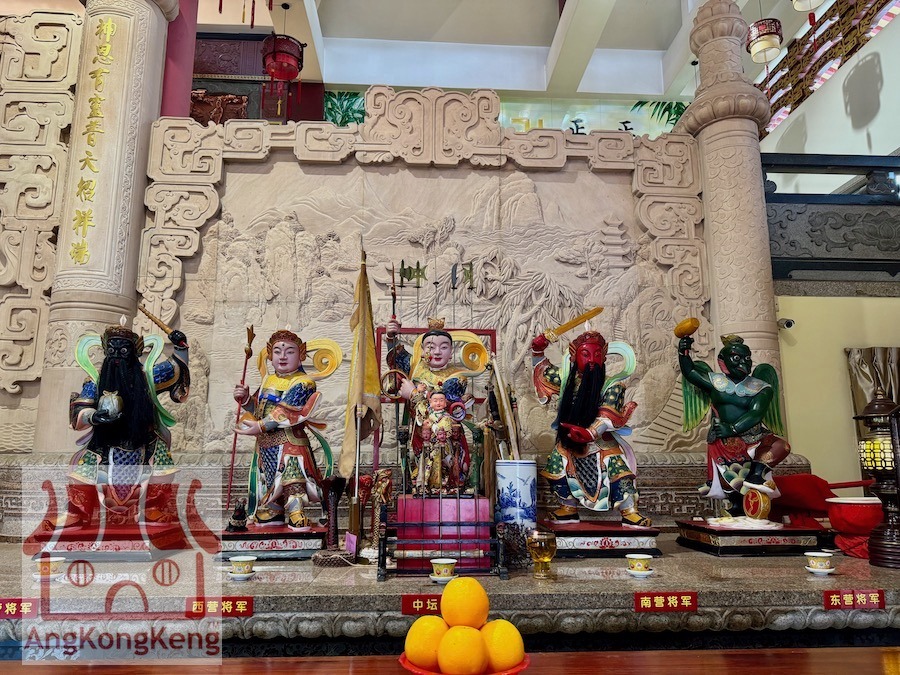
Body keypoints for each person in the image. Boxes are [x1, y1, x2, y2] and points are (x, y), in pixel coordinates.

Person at [44, 321, 190, 531]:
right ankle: (77, 513)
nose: (117, 358)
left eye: (123, 352)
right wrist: (94, 417)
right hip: (105, 443)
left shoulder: (149, 377)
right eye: (111, 352)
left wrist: (180, 346)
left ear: (134, 353)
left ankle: (152, 508)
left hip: (144, 441)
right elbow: (80, 411)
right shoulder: (96, 381)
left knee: (163, 466)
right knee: (81, 469)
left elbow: (175, 368)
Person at [531, 329, 651, 525]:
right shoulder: (565, 380)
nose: (592, 360)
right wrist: (537, 351)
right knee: (556, 466)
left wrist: (590, 432)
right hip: (571, 441)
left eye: (597, 355)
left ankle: (629, 510)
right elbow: (543, 371)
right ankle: (568, 507)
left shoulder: (613, 385)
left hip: (601, 442)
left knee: (618, 469)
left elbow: (608, 415)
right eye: (586, 354)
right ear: (574, 355)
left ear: (604, 357)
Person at [678, 333, 790, 514]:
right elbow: (690, 372)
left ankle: (756, 474)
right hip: (724, 438)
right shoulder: (715, 382)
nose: (744, 362)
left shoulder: (761, 387)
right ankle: (736, 507)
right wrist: (683, 351)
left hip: (753, 435)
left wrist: (732, 428)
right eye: (737, 358)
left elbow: (756, 413)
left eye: (747, 358)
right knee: (730, 479)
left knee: (781, 446)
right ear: (722, 362)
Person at [233, 329, 325, 529]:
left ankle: (296, 511)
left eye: (290, 352)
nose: (282, 356)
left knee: (292, 474)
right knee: (269, 477)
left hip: (289, 439)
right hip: (266, 442)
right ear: (270, 355)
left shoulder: (304, 382)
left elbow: (285, 411)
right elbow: (260, 409)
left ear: (301, 355)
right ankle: (274, 509)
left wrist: (260, 426)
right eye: (277, 352)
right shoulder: (268, 380)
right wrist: (246, 400)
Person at [385, 317, 474, 494]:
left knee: (446, 466)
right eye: (431, 347)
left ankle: (447, 489)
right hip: (421, 431)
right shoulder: (415, 367)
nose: (437, 352)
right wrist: (391, 337)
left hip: (445, 434)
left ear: (451, 352)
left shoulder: (457, 377)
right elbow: (397, 359)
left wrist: (413, 393)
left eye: (444, 347)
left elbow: (443, 405)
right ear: (423, 350)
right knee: (420, 464)